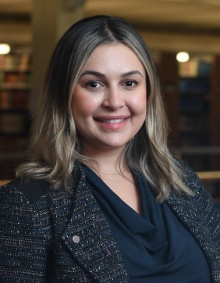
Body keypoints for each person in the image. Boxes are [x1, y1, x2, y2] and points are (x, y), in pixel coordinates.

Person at [0, 15, 219, 283]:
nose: (114, 102)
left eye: (129, 83)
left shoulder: (182, 181)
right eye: (94, 84)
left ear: (148, 92)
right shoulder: (26, 204)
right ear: (64, 94)